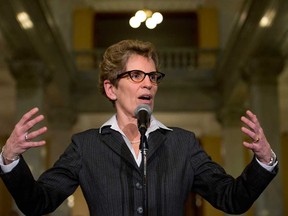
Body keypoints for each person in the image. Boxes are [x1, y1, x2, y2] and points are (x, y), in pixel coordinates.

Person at [0, 39, 278, 216]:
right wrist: (10, 159)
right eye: (136, 75)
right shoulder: (85, 147)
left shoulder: (183, 144)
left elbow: (232, 200)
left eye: (153, 77)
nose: (148, 84)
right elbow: (37, 203)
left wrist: (264, 161)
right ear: (111, 88)